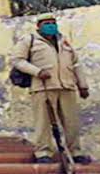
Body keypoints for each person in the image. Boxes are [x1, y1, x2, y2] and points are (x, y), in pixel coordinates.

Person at [11, 13, 91, 164]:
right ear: (38, 26)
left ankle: (75, 152)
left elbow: (76, 64)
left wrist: (83, 85)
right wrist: (37, 72)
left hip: (66, 86)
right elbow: (17, 60)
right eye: (46, 23)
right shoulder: (30, 40)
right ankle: (43, 153)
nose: (50, 26)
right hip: (43, 87)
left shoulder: (63, 41)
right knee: (43, 122)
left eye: (53, 23)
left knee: (72, 123)